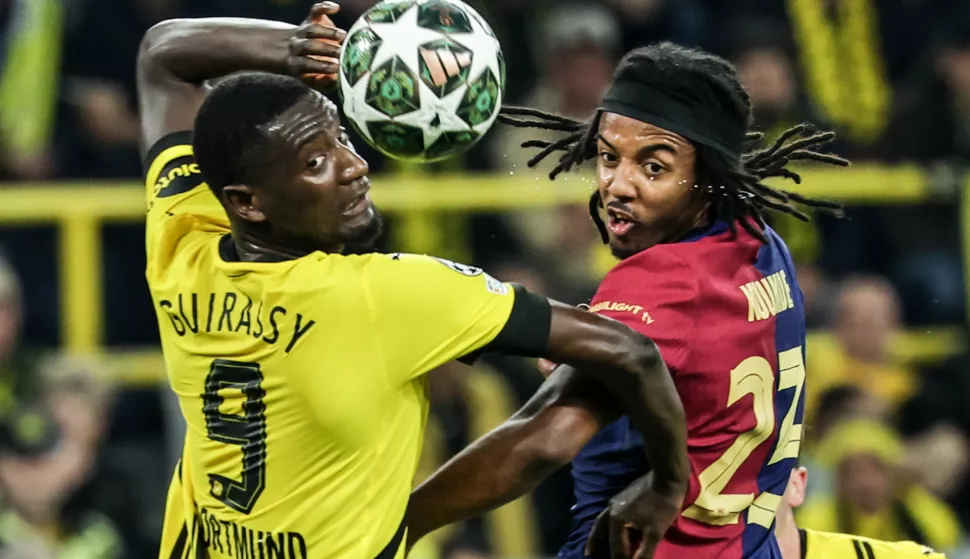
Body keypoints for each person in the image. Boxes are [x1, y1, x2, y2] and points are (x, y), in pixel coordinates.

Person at [138, 4, 690, 559]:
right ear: (247, 202)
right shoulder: (384, 294)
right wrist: (668, 484)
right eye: (315, 161)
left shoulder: (181, 237)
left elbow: (161, 58)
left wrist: (295, 50)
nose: (354, 166)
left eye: (342, 139)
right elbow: (632, 355)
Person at [406, 42, 850, 559]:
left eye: (654, 167)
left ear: (709, 175)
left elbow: (544, 438)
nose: (619, 185)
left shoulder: (665, 280)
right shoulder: (761, 243)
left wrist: (404, 523)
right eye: (608, 156)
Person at [775, 465, 947, 559]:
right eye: (854, 474)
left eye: (874, 472)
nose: (865, 482)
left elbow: (948, 538)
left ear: (796, 485)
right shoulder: (822, 511)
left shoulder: (912, 506)